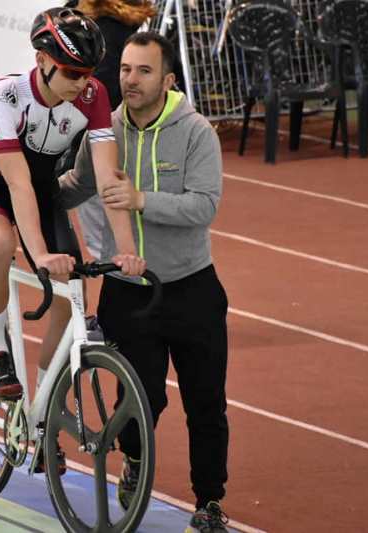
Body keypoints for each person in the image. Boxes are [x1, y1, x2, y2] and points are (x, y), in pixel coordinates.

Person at [58, 32, 230, 532]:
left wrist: (142, 200)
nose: (130, 80)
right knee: (140, 398)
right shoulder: (105, 130)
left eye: (144, 71)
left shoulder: (197, 132)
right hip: (129, 293)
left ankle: (209, 502)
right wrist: (22, 189)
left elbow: (205, 205)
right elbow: (78, 186)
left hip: (192, 287)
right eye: (126, 70)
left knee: (206, 402)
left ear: (168, 80)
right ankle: (134, 460)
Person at [0, 7, 145, 421]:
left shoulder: (94, 96)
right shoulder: (5, 96)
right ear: (41, 61)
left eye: (88, 72)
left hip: (41, 191)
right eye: (71, 72)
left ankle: (43, 409)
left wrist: (127, 250)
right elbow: (18, 184)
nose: (82, 82)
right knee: (0, 243)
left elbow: (108, 178)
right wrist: (39, 255)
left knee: (72, 287)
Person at [60, 0, 157, 259]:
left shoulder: (102, 31)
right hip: (129, 141)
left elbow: (95, 99)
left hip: (99, 145)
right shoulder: (128, 28)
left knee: (109, 244)